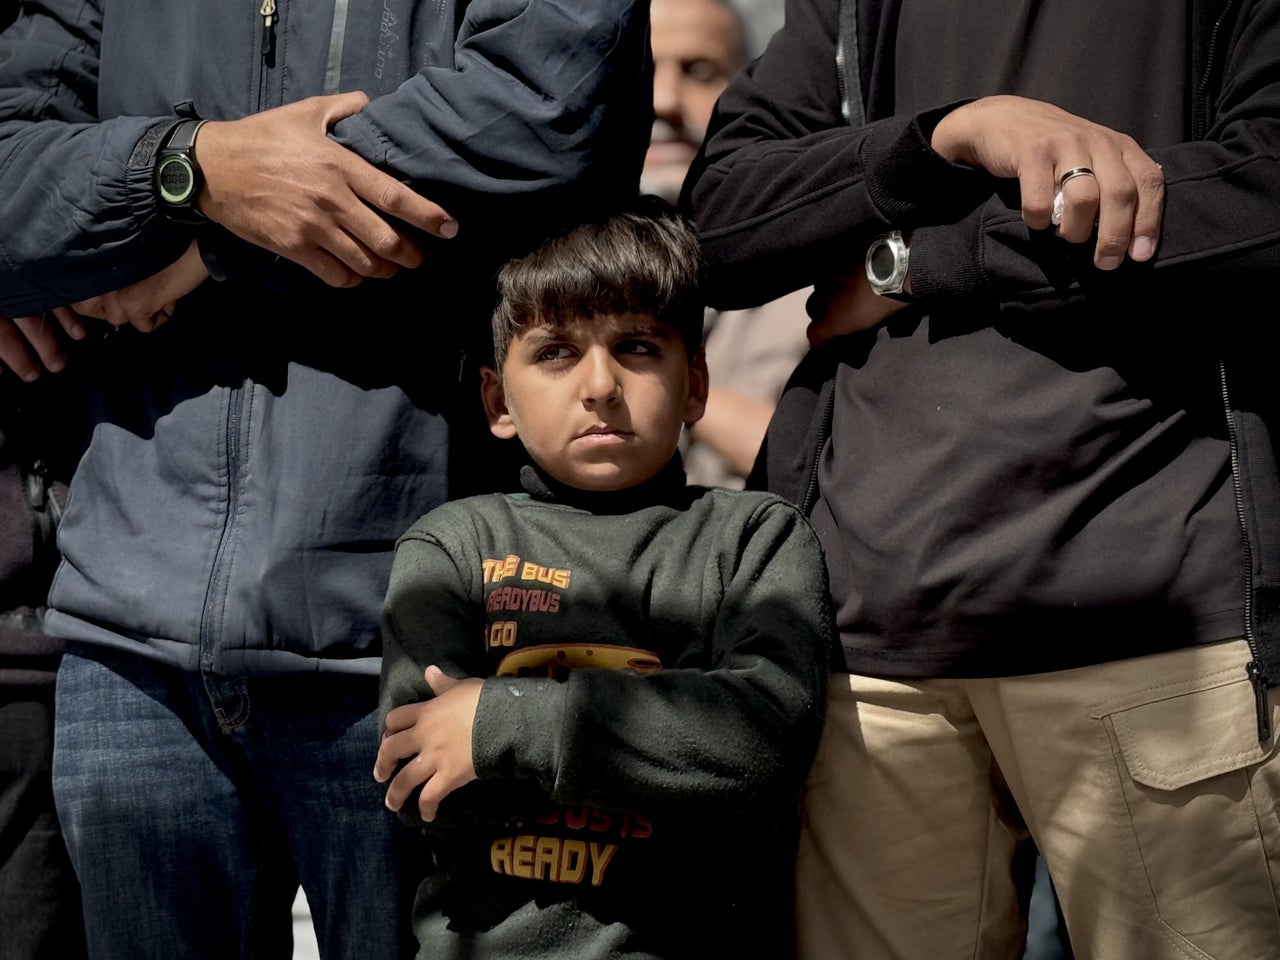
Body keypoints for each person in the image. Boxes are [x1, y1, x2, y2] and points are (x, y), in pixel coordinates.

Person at [0, 2, 652, 957]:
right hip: (129, 633)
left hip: (422, 632)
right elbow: (11, 167)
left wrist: (211, 241)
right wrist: (191, 172)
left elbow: (549, 112)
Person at [684, 1, 1280, 958]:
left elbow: (1263, 192)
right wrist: (948, 135)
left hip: (1155, 623)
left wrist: (923, 261)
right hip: (868, 643)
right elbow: (718, 221)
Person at [373, 204, 831, 959]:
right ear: (498, 402)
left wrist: (497, 724)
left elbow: (761, 744)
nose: (600, 386)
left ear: (694, 387)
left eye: (638, 347)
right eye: (555, 352)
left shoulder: (754, 538)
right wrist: (674, 745)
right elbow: (423, 781)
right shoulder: (454, 547)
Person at [644, 0, 809, 488]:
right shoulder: (536, 263)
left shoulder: (814, 277)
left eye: (699, 71)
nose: (664, 99)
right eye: (643, 70)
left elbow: (836, 463)